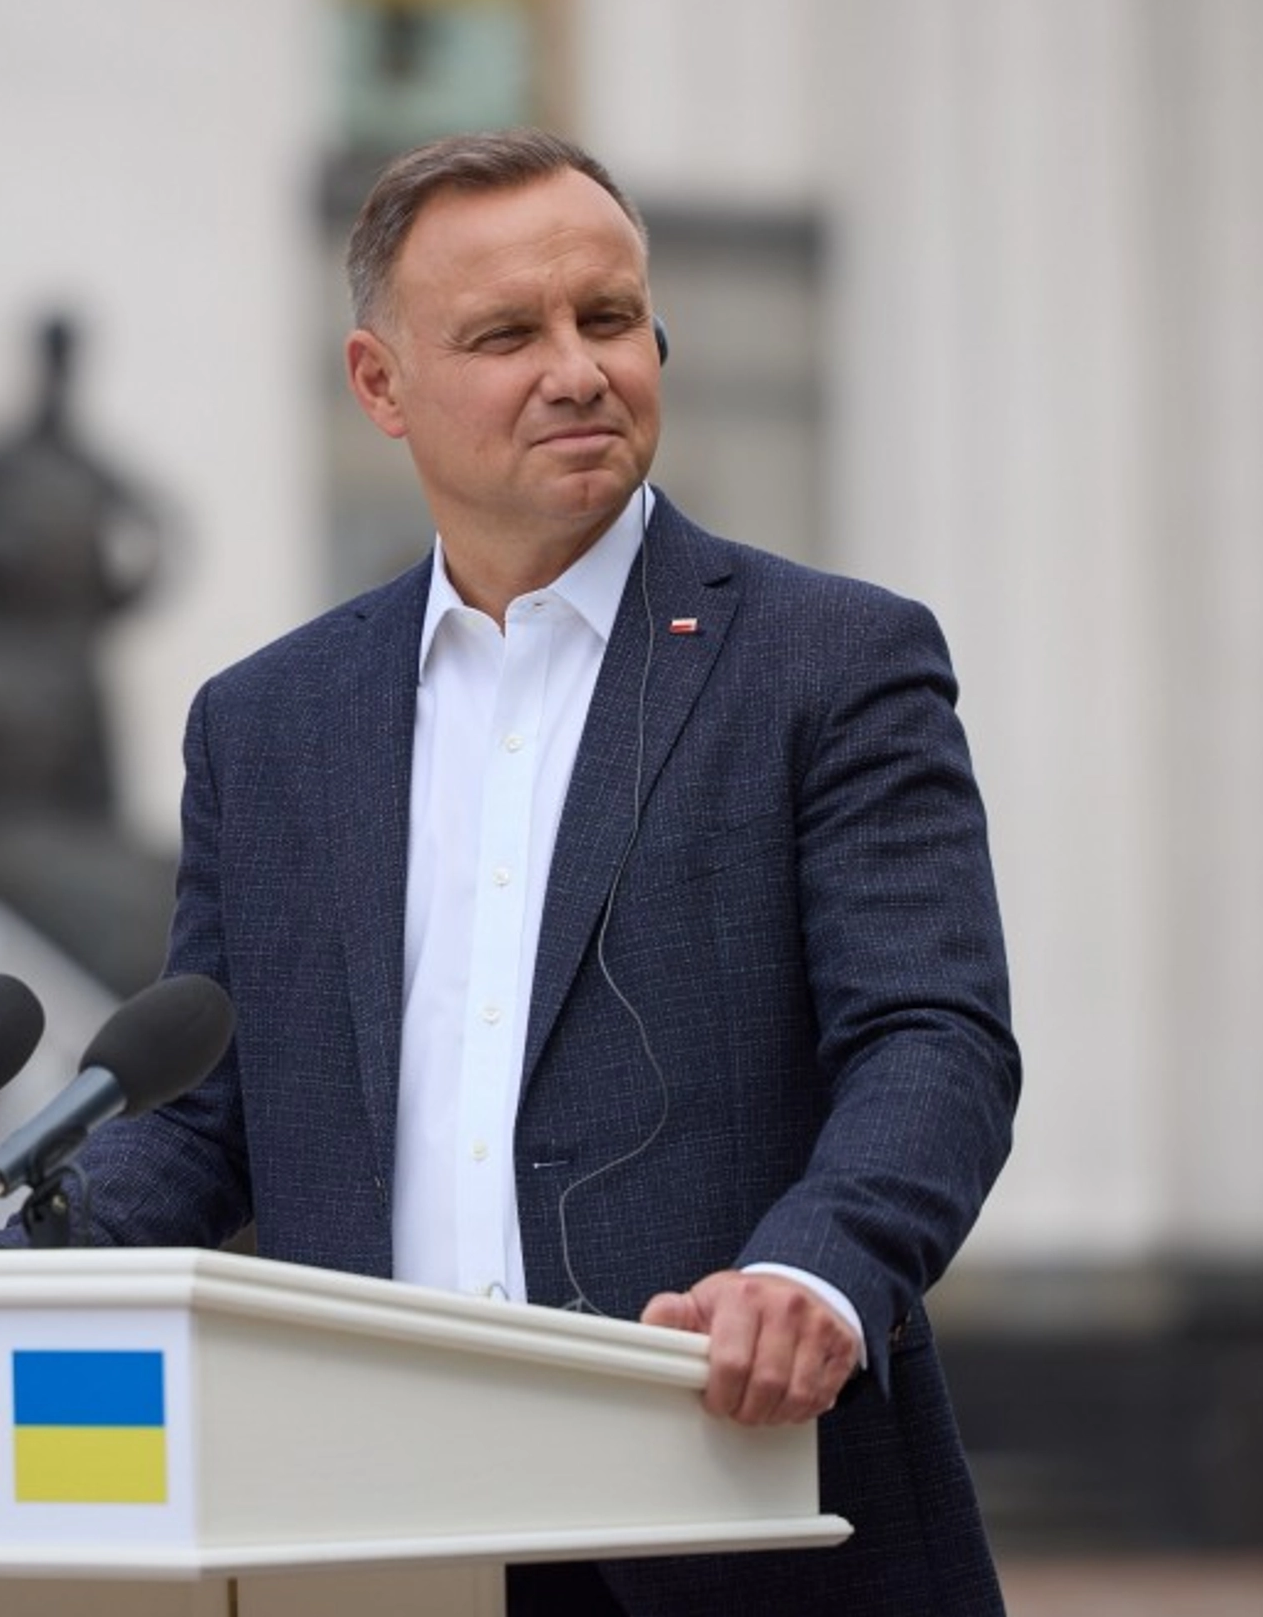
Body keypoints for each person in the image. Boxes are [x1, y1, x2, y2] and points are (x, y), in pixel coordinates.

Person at [57, 129, 1022, 1614]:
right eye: (508, 334)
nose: (577, 368)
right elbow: (208, 1114)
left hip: (735, 1504)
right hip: (376, 1538)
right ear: (380, 384)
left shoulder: (831, 662)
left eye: (609, 319)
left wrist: (819, 1270)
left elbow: (931, 1036)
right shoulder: (266, 724)